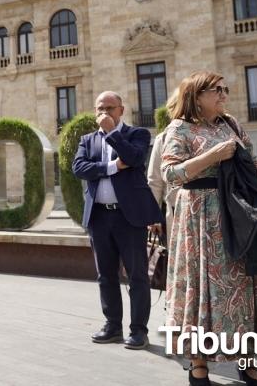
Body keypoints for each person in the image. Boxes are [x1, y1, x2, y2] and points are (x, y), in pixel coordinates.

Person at [160, 71, 257, 386]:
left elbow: (251, 158)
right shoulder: (179, 128)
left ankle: (248, 363)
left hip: (236, 214)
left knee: (245, 284)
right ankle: (199, 368)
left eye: (225, 89)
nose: (224, 95)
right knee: (201, 289)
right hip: (199, 218)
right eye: (217, 90)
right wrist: (212, 155)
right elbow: (170, 173)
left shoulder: (230, 124)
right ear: (196, 96)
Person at [72, 91, 163, 351]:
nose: (104, 113)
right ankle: (112, 325)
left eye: (110, 108)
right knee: (106, 275)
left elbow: (134, 159)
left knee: (137, 276)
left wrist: (113, 134)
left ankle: (138, 331)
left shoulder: (138, 135)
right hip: (99, 216)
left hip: (128, 217)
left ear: (121, 110)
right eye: (100, 108)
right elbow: (79, 168)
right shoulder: (87, 140)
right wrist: (112, 167)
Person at [147, 89, 180, 234]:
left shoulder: (216, 132)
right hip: (176, 213)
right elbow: (155, 181)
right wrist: (153, 217)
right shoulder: (164, 138)